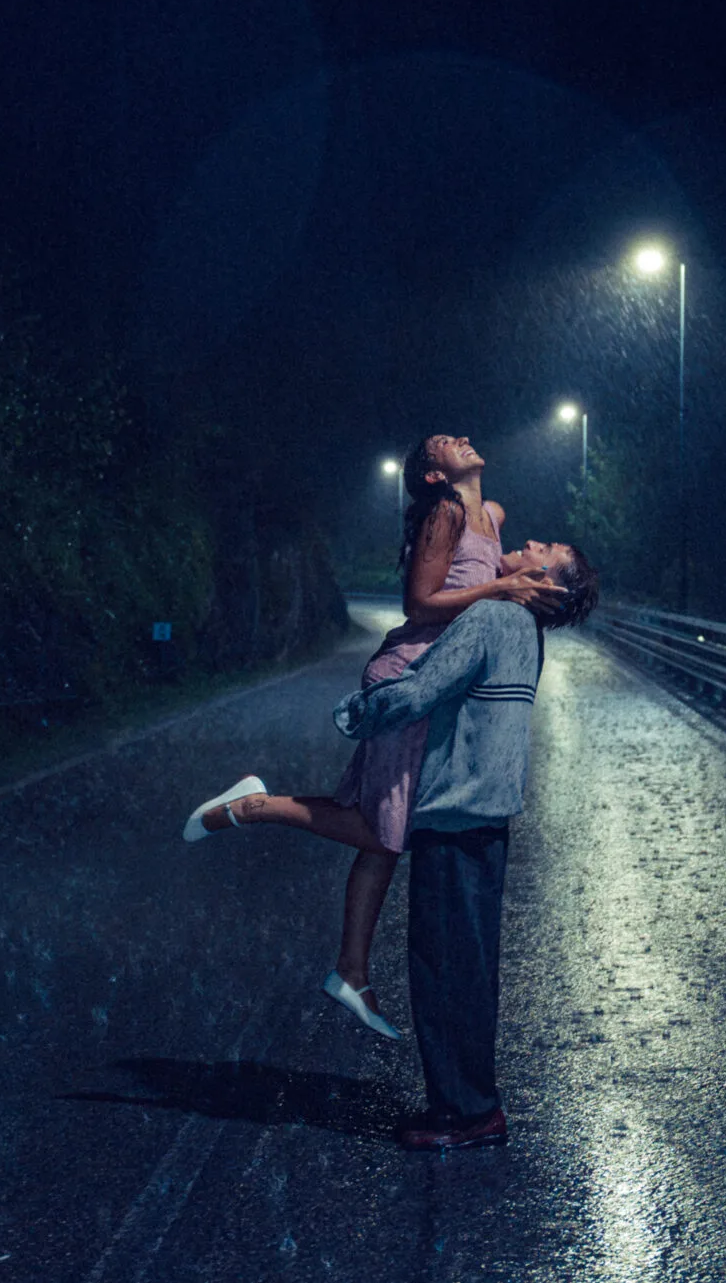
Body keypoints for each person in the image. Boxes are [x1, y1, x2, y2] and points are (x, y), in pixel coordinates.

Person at [179, 433, 568, 1041]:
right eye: (445, 445)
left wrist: (526, 580)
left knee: (384, 837)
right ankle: (253, 807)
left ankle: (352, 972)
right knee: (385, 827)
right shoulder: (446, 513)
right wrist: (498, 587)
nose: (460, 439)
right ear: (435, 476)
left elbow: (519, 575)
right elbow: (419, 603)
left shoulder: (492, 517)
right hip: (408, 676)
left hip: (431, 683)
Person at [333, 568, 598, 1150]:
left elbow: (420, 689)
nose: (524, 547)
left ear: (550, 585)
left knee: (444, 970)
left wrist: (356, 711)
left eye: (542, 551)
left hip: (454, 812)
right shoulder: (527, 628)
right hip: (485, 819)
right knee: (468, 970)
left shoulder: (493, 616)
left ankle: (465, 1113)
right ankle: (469, 1104)